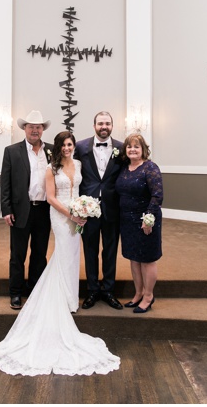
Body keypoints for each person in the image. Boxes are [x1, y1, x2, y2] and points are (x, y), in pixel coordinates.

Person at [0, 131, 120, 376]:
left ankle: (71, 298)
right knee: (61, 254)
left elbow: (82, 188)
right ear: (57, 148)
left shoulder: (79, 164)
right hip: (61, 215)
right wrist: (71, 214)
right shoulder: (51, 169)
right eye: (63, 145)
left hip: (78, 214)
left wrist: (84, 209)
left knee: (73, 256)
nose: (67, 148)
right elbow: (50, 198)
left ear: (73, 146)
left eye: (70, 144)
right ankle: (56, 298)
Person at [0, 111, 54, 310]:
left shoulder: (52, 150)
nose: (35, 130)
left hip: (44, 211)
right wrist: (6, 209)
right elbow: (5, 183)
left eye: (38, 127)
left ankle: (34, 291)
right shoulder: (12, 151)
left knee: (40, 254)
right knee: (18, 255)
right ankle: (15, 292)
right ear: (25, 128)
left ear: (43, 130)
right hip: (21, 210)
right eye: (31, 126)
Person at [73, 112, 124, 310]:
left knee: (110, 250)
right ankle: (93, 290)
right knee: (90, 250)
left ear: (112, 126)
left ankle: (109, 290)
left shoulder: (122, 147)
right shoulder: (80, 147)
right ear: (94, 125)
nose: (104, 126)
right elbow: (73, 174)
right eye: (101, 123)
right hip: (88, 209)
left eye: (107, 123)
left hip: (112, 207)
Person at [116, 133, 162, 313]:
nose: (132, 150)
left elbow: (157, 195)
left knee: (147, 259)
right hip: (127, 220)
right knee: (134, 258)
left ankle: (148, 296)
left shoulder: (150, 167)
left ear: (143, 149)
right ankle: (138, 293)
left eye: (136, 146)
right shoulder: (124, 168)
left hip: (145, 221)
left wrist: (148, 219)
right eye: (129, 146)